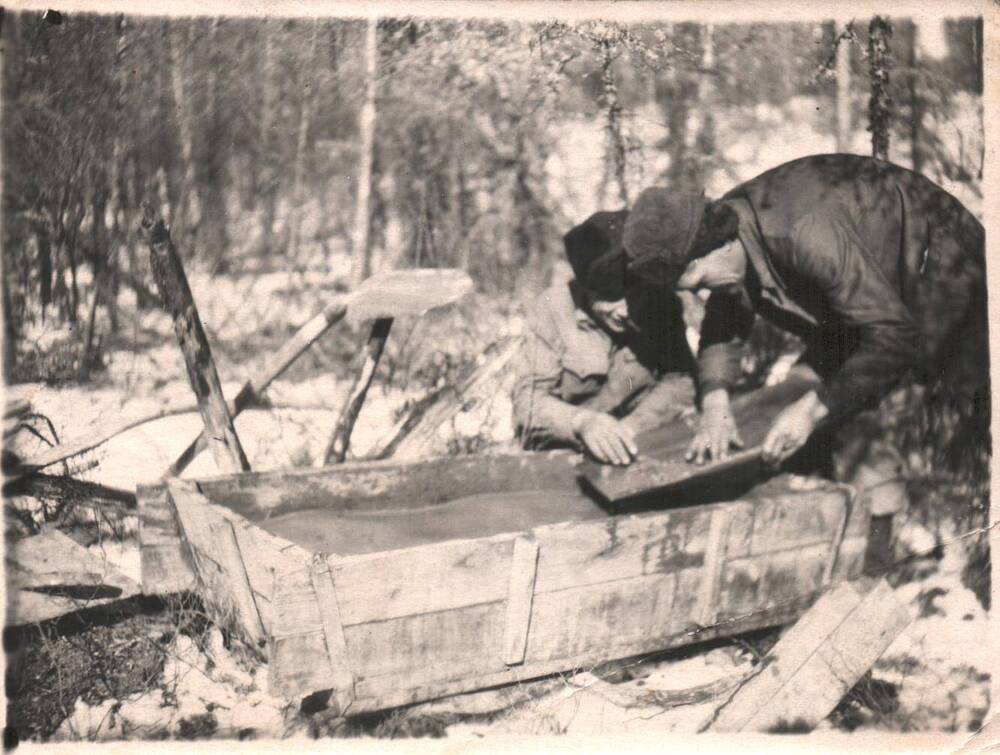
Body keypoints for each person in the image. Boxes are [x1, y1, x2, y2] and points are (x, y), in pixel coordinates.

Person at [623, 153, 988, 569]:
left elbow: (892, 337)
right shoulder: (723, 232)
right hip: (863, 299)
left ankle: (880, 559)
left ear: (717, 246)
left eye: (696, 281)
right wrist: (716, 397)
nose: (697, 294)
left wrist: (816, 408)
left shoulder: (801, 234)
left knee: (863, 406)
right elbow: (725, 317)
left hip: (940, 271)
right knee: (800, 393)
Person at [512, 210, 696, 465]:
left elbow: (680, 380)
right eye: (609, 296)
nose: (625, 310)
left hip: (644, 447)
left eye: (633, 293)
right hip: (566, 459)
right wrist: (582, 423)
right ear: (585, 288)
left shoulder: (660, 304)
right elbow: (528, 405)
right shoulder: (551, 310)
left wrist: (630, 429)